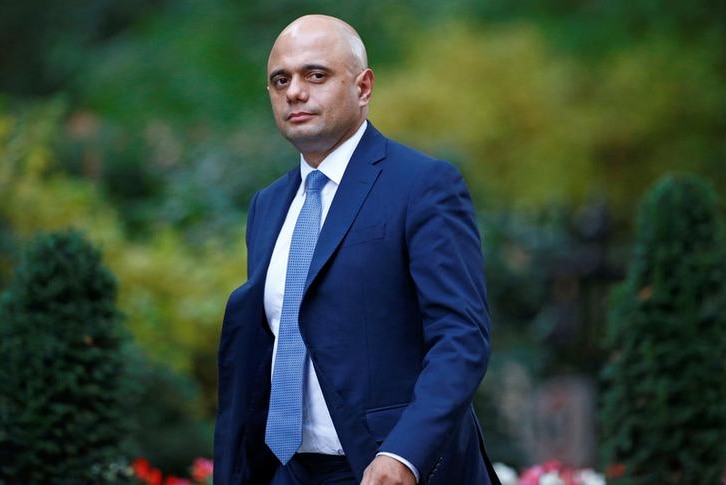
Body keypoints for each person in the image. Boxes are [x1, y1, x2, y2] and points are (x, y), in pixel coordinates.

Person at [214, 14, 500, 485]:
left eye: (316, 75)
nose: (295, 93)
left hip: (385, 468)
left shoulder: (423, 185)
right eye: (280, 80)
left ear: (363, 87)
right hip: (286, 470)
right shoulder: (268, 205)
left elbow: (461, 338)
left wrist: (404, 455)